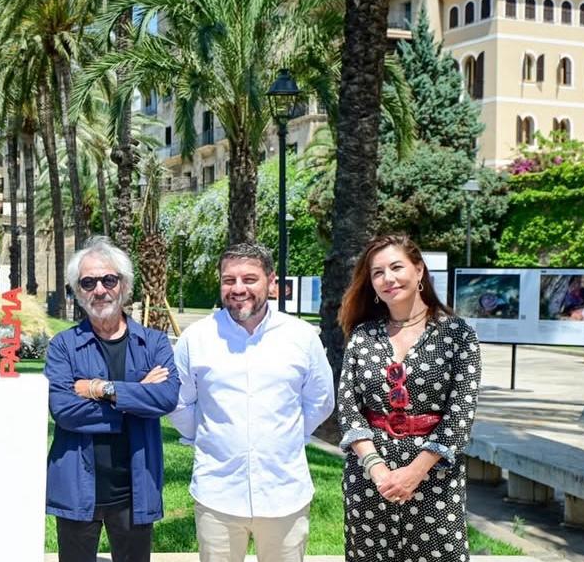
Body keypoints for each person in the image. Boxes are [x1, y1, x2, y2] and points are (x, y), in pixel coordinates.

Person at [170, 243, 335, 562]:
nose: (238, 288)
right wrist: (209, 440)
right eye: (228, 280)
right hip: (216, 494)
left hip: (285, 494)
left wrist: (287, 437)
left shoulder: (301, 337)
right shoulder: (197, 338)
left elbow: (320, 400)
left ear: (271, 282)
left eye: (249, 279)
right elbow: (179, 403)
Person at [337, 235, 483, 562]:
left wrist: (414, 472)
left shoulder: (458, 335)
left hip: (435, 478)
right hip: (370, 479)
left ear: (418, 271)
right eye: (377, 273)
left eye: (396, 267)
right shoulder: (363, 336)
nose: (388, 278)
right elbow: (349, 410)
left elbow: (459, 418)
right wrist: (378, 471)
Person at [45, 237, 180, 562]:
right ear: (78, 292)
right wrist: (135, 396)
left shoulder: (154, 343)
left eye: (109, 279)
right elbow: (63, 410)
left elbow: (165, 397)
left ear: (124, 285)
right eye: (88, 282)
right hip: (77, 489)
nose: (100, 289)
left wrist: (99, 389)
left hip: (134, 490)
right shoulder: (63, 346)